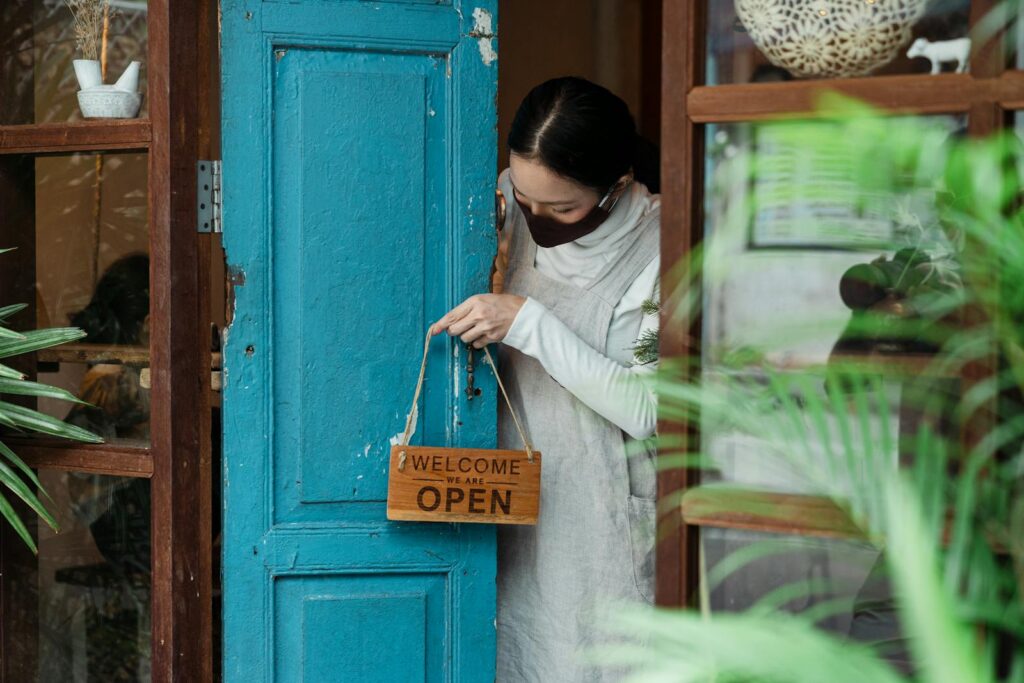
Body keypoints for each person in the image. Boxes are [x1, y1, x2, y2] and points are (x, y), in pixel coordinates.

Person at [432, 77, 660, 681]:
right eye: (526, 201)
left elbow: (650, 409)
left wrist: (528, 322)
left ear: (615, 186)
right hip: (510, 494)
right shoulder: (508, 199)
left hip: (600, 509)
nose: (537, 219)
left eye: (561, 209)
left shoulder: (661, 247)